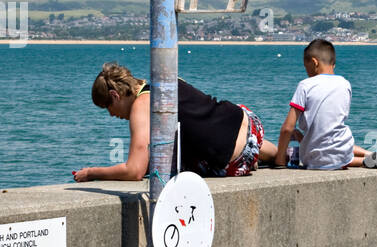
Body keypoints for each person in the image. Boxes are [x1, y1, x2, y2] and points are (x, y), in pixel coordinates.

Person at [73, 63, 275, 182]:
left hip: (233, 163)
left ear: (115, 95)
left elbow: (134, 171)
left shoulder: (141, 104)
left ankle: (254, 160)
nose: (111, 115)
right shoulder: (166, 82)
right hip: (248, 123)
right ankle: (278, 155)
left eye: (108, 108)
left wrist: (92, 173)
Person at [273, 38, 377, 171]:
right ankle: (368, 155)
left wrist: (280, 160)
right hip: (341, 149)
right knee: (333, 138)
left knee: (312, 141)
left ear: (314, 62)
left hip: (314, 161)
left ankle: (365, 160)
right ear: (333, 64)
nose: (307, 72)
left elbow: (287, 128)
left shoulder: (305, 85)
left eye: (306, 68)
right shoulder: (345, 84)